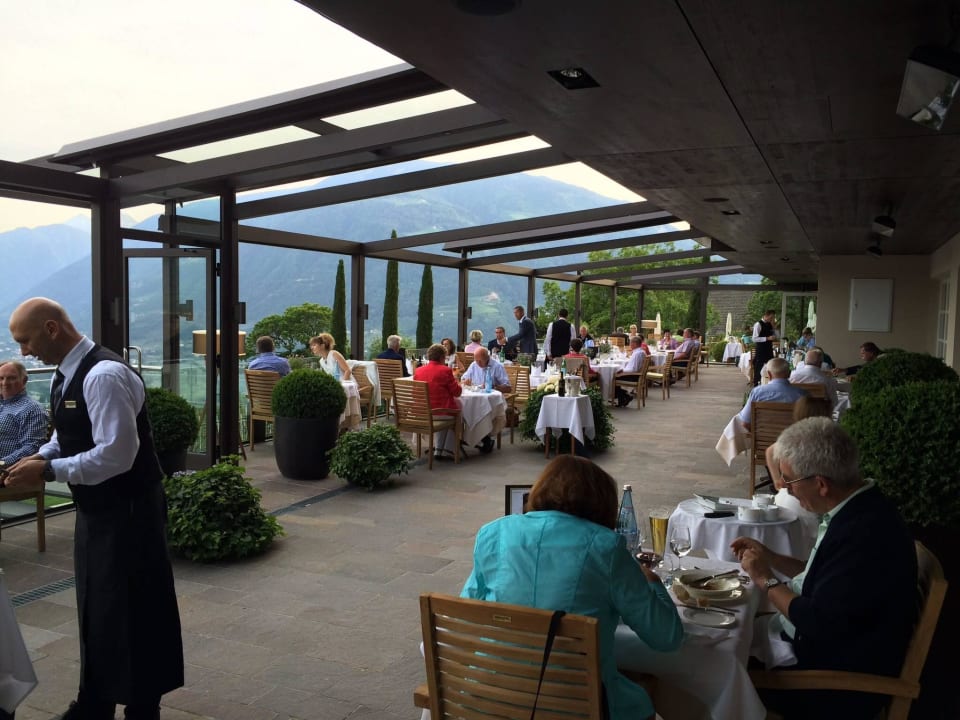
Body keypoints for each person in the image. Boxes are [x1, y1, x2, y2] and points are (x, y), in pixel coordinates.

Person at [3, 298, 183, 720]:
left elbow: (117, 455)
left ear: (51, 329)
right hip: (99, 510)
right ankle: (96, 700)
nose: (24, 352)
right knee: (98, 606)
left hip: (131, 511)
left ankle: (142, 708)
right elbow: (67, 436)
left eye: (25, 341)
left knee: (138, 608)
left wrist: (48, 472)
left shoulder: (104, 375)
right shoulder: (64, 376)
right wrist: (38, 457)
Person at [461, 455, 683, 720]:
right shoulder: (607, 547)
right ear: (602, 503)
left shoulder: (493, 532)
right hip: (576, 705)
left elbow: (467, 613)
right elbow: (666, 638)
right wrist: (654, 584)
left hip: (489, 698)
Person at [732, 418, 917, 720]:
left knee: (712, 667)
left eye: (789, 481)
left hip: (834, 685)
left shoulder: (863, 533)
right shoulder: (860, 508)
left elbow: (816, 621)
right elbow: (824, 577)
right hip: (827, 651)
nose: (788, 491)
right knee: (724, 635)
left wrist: (763, 578)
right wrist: (772, 557)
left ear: (820, 484)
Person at [413, 343, 462, 459]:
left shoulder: (419, 371)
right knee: (457, 414)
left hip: (422, 412)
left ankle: (439, 449)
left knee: (446, 411)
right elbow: (457, 393)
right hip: (439, 413)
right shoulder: (445, 370)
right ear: (441, 357)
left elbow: (415, 392)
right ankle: (446, 450)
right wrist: (457, 382)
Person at [460, 347, 511, 454]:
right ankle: (479, 439)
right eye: (476, 360)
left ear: (487, 358)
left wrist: (494, 386)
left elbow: (508, 388)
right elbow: (464, 379)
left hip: (490, 400)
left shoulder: (497, 366)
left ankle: (484, 439)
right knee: (468, 409)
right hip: (475, 398)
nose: (477, 363)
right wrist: (466, 381)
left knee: (482, 410)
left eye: (480, 360)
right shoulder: (474, 365)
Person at [0, 360, 48, 469]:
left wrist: (2, 463)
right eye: (1, 378)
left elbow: (32, 447)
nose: (5, 383)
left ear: (24, 380)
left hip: (8, 470)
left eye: (11, 378)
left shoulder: (31, 409)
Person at [738, 357, 806, 429]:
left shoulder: (757, 393)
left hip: (762, 437)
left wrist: (757, 434)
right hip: (792, 438)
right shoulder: (802, 394)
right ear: (789, 374)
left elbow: (745, 423)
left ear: (769, 375)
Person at [614, 336, 648, 407]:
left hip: (634, 376)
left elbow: (633, 369)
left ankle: (624, 397)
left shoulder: (637, 354)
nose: (630, 345)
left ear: (635, 344)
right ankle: (624, 397)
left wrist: (622, 371)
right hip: (637, 375)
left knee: (613, 378)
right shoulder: (641, 351)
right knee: (616, 376)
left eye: (630, 343)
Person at [752, 309, 778, 386]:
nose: (772, 319)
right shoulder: (758, 324)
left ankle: (768, 384)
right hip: (761, 350)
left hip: (769, 349)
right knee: (759, 368)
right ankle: (756, 385)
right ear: (766, 315)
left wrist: (774, 327)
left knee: (771, 366)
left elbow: (777, 335)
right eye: (771, 317)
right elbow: (754, 338)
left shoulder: (770, 324)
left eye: (773, 317)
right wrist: (767, 338)